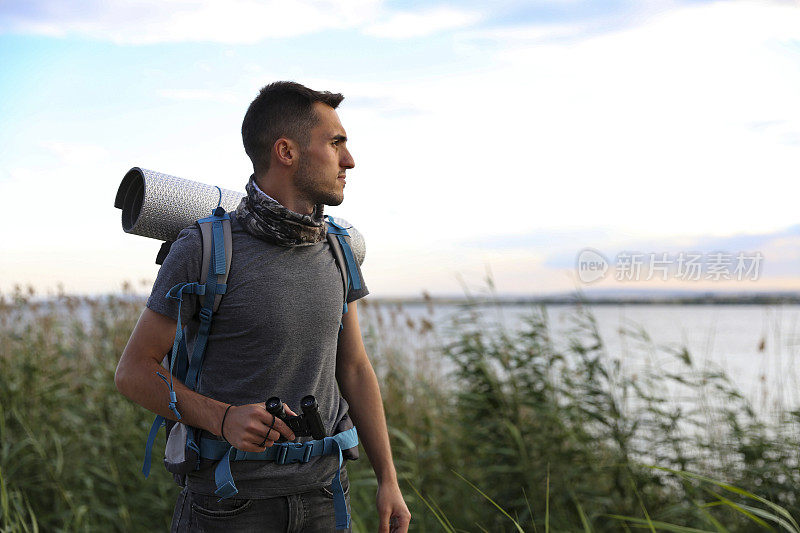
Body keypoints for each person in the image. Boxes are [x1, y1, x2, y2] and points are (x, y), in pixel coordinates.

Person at [115, 81, 412, 532]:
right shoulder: (204, 248)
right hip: (228, 504)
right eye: (336, 144)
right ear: (286, 152)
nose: (349, 160)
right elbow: (134, 371)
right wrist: (224, 417)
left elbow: (353, 368)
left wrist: (389, 479)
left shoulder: (339, 248)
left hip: (325, 497)